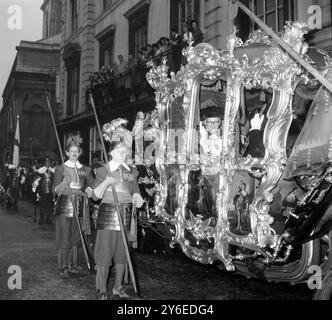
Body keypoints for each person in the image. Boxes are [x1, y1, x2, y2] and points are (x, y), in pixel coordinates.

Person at [93, 120, 144, 300]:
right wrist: (107, 181)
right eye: (120, 151)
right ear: (111, 151)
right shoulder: (102, 170)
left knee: (122, 254)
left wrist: (137, 196)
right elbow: (95, 196)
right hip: (108, 215)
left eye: (125, 151)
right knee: (104, 253)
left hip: (126, 215)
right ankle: (102, 290)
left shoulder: (132, 171)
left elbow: (134, 189)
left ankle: (118, 287)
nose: (123, 154)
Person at [52, 136, 94, 279]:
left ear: (80, 152)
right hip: (64, 205)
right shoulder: (60, 169)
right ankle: (62, 267)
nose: (74, 153)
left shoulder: (86, 170)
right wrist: (64, 182)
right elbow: (55, 191)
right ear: (67, 152)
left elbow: (93, 188)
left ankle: (72, 264)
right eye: (71, 151)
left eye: (77, 151)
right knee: (64, 237)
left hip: (80, 206)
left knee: (75, 238)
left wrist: (90, 191)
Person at [33, 158, 55, 224]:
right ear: (44, 163)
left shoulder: (53, 171)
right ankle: (41, 219)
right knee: (42, 205)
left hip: (51, 191)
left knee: (50, 205)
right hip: (42, 190)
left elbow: (55, 180)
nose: (48, 163)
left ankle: (48, 219)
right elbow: (36, 180)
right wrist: (35, 186)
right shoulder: (40, 171)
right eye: (46, 162)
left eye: (49, 162)